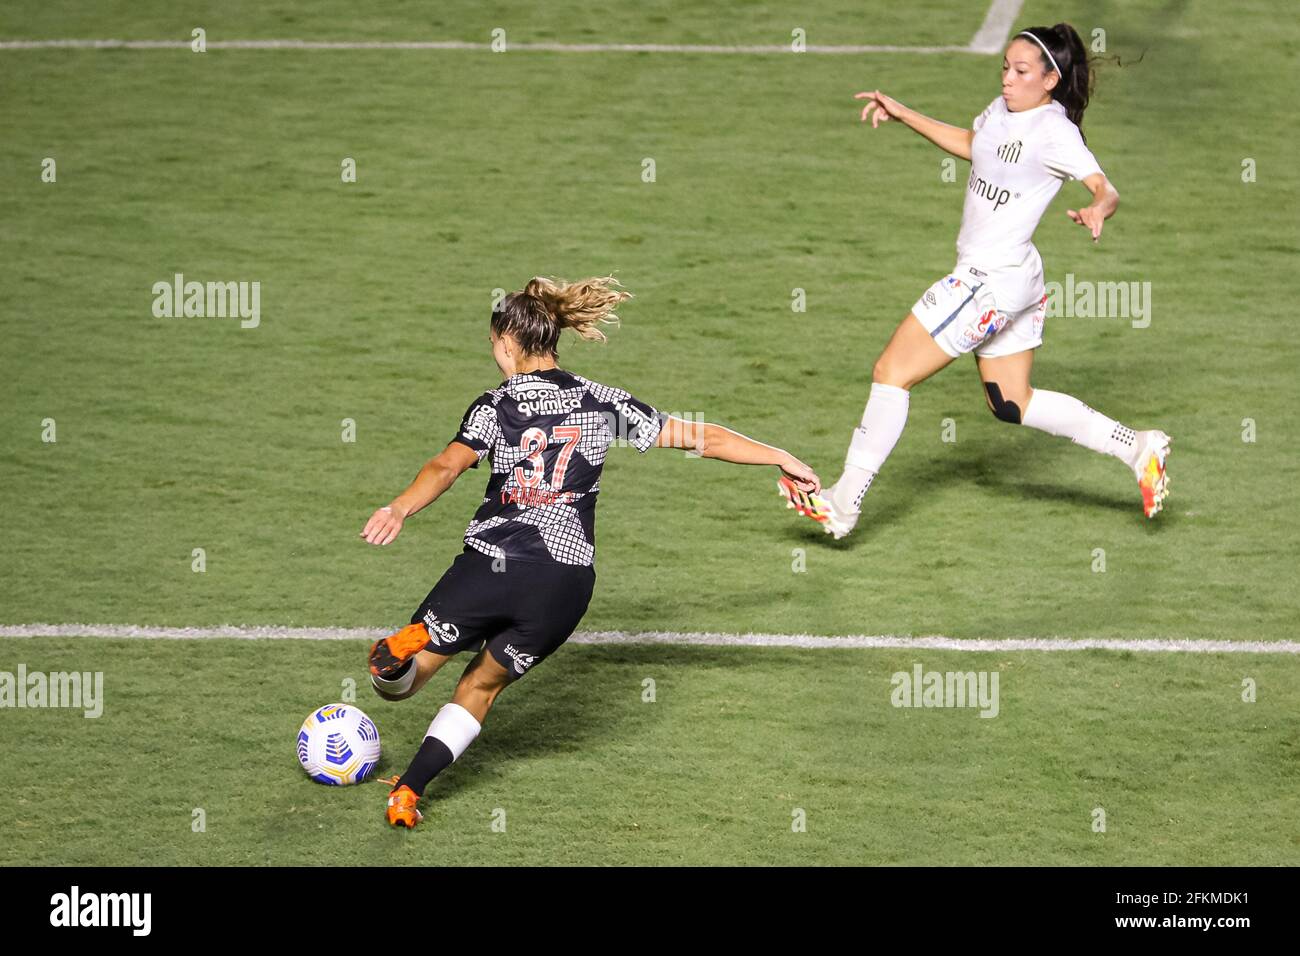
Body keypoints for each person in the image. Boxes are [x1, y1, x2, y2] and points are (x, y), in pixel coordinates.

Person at [359, 276, 820, 827]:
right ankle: (409, 791)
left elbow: (446, 466)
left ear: (507, 340)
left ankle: (409, 647)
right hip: (565, 584)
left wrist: (399, 508)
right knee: (481, 686)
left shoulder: (495, 406)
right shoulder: (600, 401)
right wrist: (779, 455)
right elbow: (703, 437)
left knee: (398, 688)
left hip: (493, 564)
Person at [780, 23, 1170, 538]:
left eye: (1021, 71)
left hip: (987, 282)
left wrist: (1099, 208)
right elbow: (974, 143)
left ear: (1050, 80)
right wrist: (905, 115)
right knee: (1012, 401)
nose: (1008, 78)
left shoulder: (1055, 132)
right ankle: (1137, 446)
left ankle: (844, 502)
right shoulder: (1002, 110)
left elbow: (1105, 187)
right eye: (1005, 68)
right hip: (1019, 279)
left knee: (891, 371)